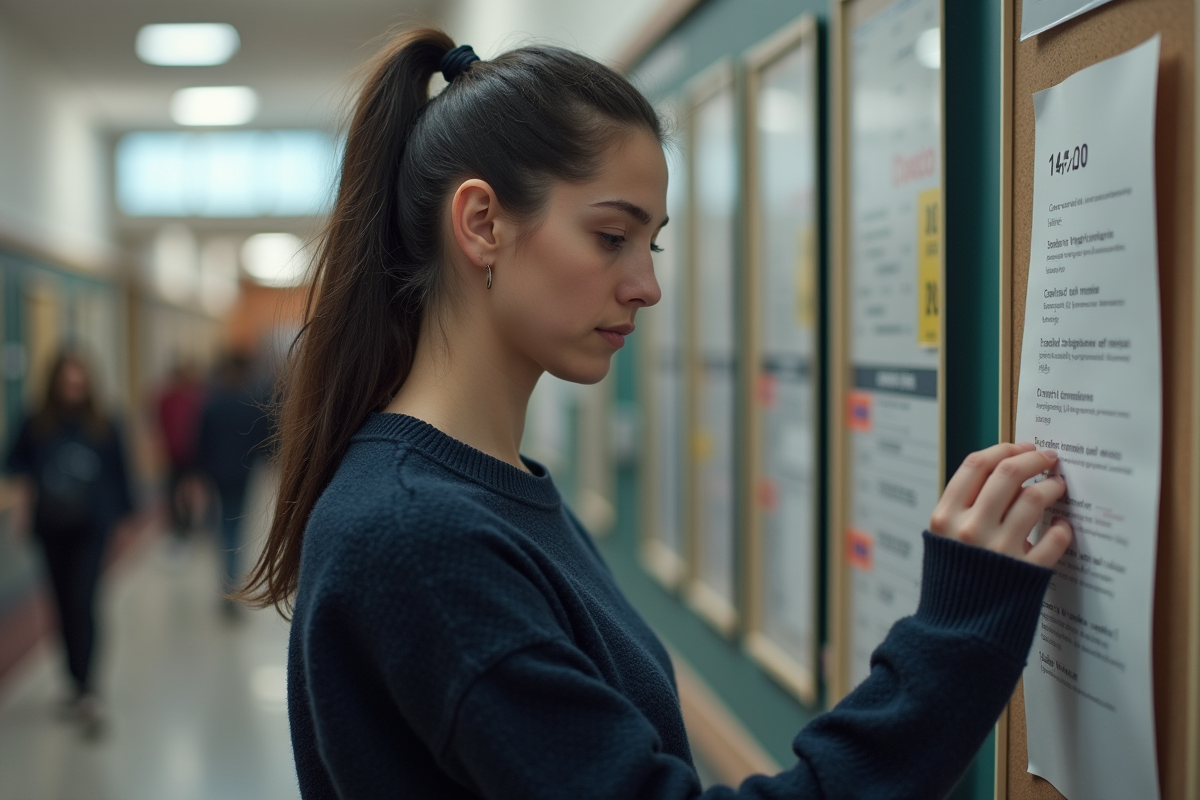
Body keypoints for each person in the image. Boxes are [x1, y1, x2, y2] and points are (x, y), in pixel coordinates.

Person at [240, 30, 1075, 800]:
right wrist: (960, 630)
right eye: (611, 236)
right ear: (483, 224)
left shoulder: (484, 491)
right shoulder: (419, 535)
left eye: (654, 243)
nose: (646, 283)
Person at [5, 351, 134, 738]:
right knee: (61, 604)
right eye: (67, 381)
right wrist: (23, 503)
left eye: (80, 381)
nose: (74, 388)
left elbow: (120, 476)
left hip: (92, 529)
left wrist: (123, 523)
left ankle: (88, 687)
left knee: (83, 600)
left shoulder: (105, 425)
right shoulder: (36, 423)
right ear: (55, 383)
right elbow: (15, 464)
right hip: (51, 528)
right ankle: (74, 681)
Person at [196, 353, 269, 610]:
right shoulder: (250, 404)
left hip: (218, 473)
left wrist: (201, 471)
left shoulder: (213, 404)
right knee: (235, 525)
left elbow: (202, 442)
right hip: (242, 472)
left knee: (226, 524)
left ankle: (228, 583)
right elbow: (263, 439)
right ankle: (231, 586)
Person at [154, 360, 205, 541]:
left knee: (189, 489)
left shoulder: (194, 398)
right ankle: (177, 522)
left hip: (191, 451)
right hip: (172, 453)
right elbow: (160, 424)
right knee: (173, 488)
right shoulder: (166, 399)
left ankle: (190, 521)